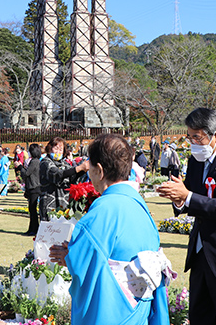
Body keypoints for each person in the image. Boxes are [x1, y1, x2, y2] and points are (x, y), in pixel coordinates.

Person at [49, 134, 170, 325]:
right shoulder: (140, 205)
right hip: (139, 308)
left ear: (99, 170)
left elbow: (85, 263)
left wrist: (70, 257)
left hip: (115, 309)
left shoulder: (104, 209)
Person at [157, 108, 216, 325]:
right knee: (199, 318)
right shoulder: (195, 161)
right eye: (189, 136)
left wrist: (187, 195)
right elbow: (190, 196)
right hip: (201, 254)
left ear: (215, 135)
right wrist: (177, 197)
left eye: (197, 137)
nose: (192, 142)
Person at [40, 137, 89, 221]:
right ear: (49, 148)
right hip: (50, 202)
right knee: (49, 229)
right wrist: (79, 167)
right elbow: (58, 174)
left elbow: (72, 177)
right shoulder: (45, 162)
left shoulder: (64, 163)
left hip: (64, 201)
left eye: (61, 150)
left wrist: (83, 170)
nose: (58, 152)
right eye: (56, 148)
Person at [15, 143, 41, 236]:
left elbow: (26, 174)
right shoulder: (36, 161)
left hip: (34, 187)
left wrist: (20, 167)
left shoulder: (34, 161)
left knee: (33, 210)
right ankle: (32, 229)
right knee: (32, 209)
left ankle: (34, 229)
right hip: (33, 187)